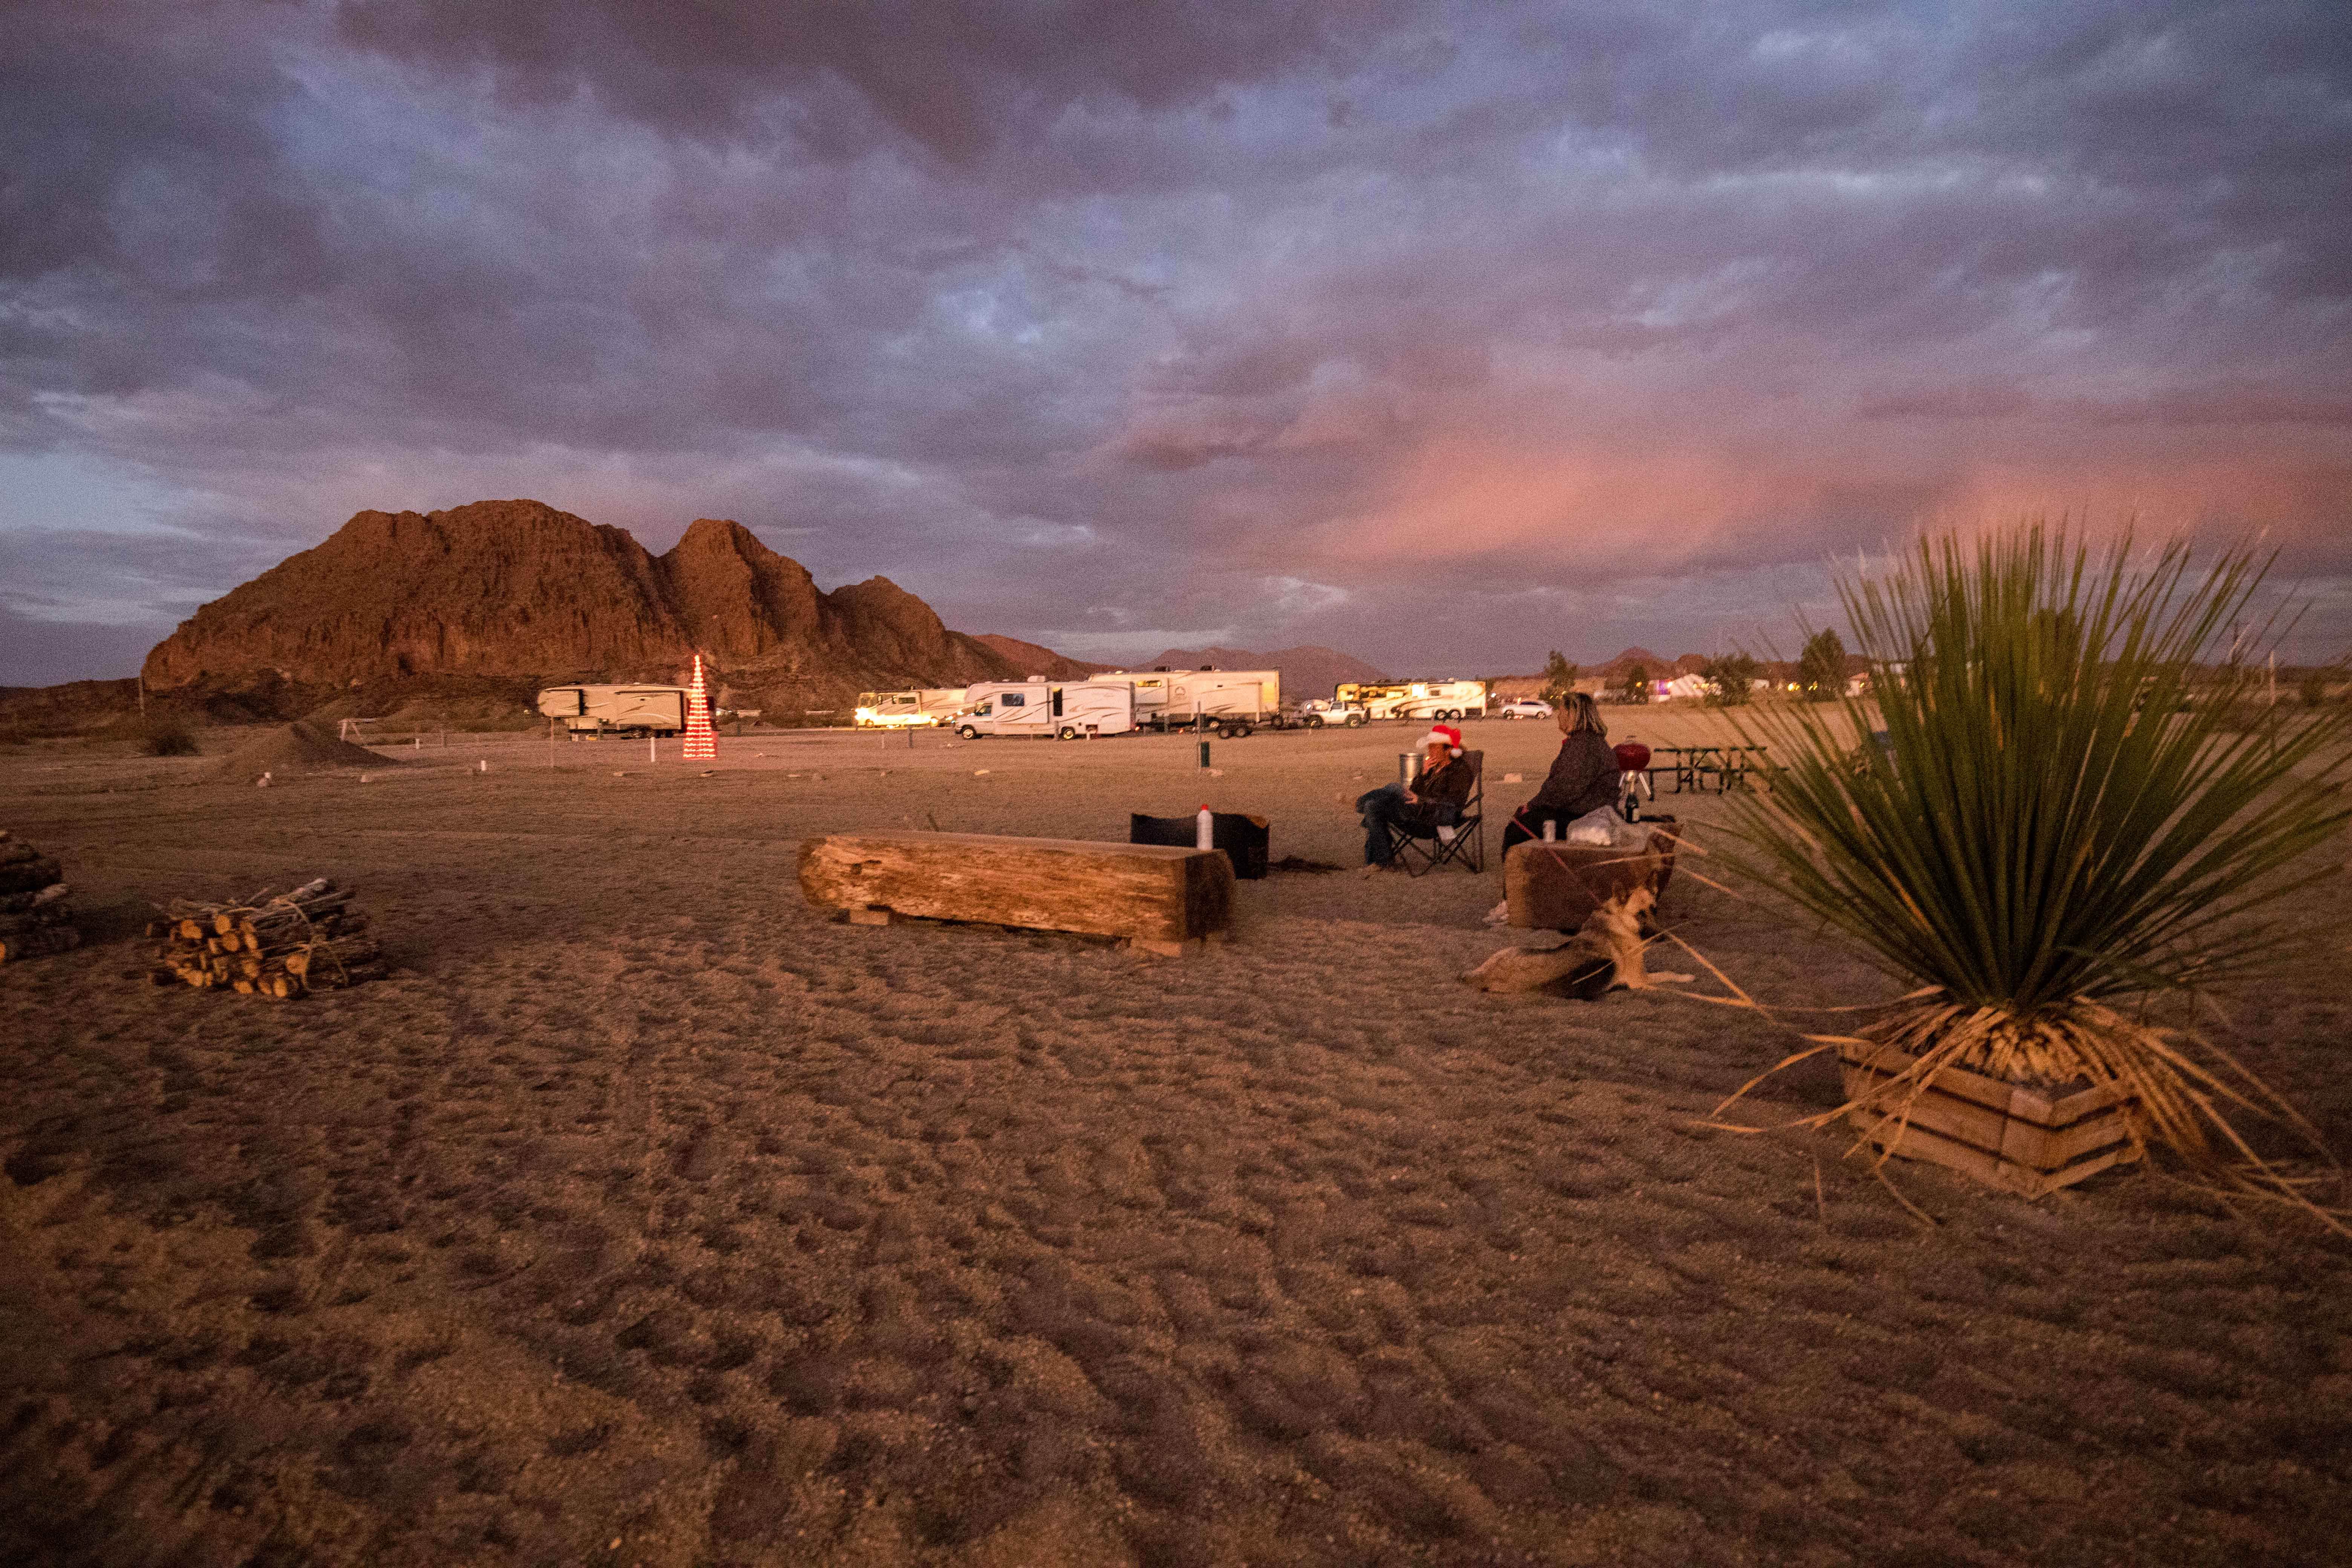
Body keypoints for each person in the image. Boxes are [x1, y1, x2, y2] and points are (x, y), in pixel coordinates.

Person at [1503, 692, 1620, 854]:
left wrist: (1531, 806)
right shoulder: (1590, 741)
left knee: (1516, 830)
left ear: (1573, 715)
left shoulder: (1583, 746)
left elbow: (1564, 789)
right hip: (1588, 811)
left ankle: (1525, 877)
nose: (1558, 716)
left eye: (1561, 711)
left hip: (1586, 817)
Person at [1355, 725, 1476, 872]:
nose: (1430, 751)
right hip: (1417, 812)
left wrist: (1421, 801)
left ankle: (1358, 803)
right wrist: (1424, 773)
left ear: (1449, 750)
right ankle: (1383, 861)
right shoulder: (1432, 767)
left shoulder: (1460, 772)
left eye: (1434, 748)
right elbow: (1413, 791)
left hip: (1435, 818)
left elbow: (1453, 802)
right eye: (1429, 747)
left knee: (1392, 789)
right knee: (1373, 806)